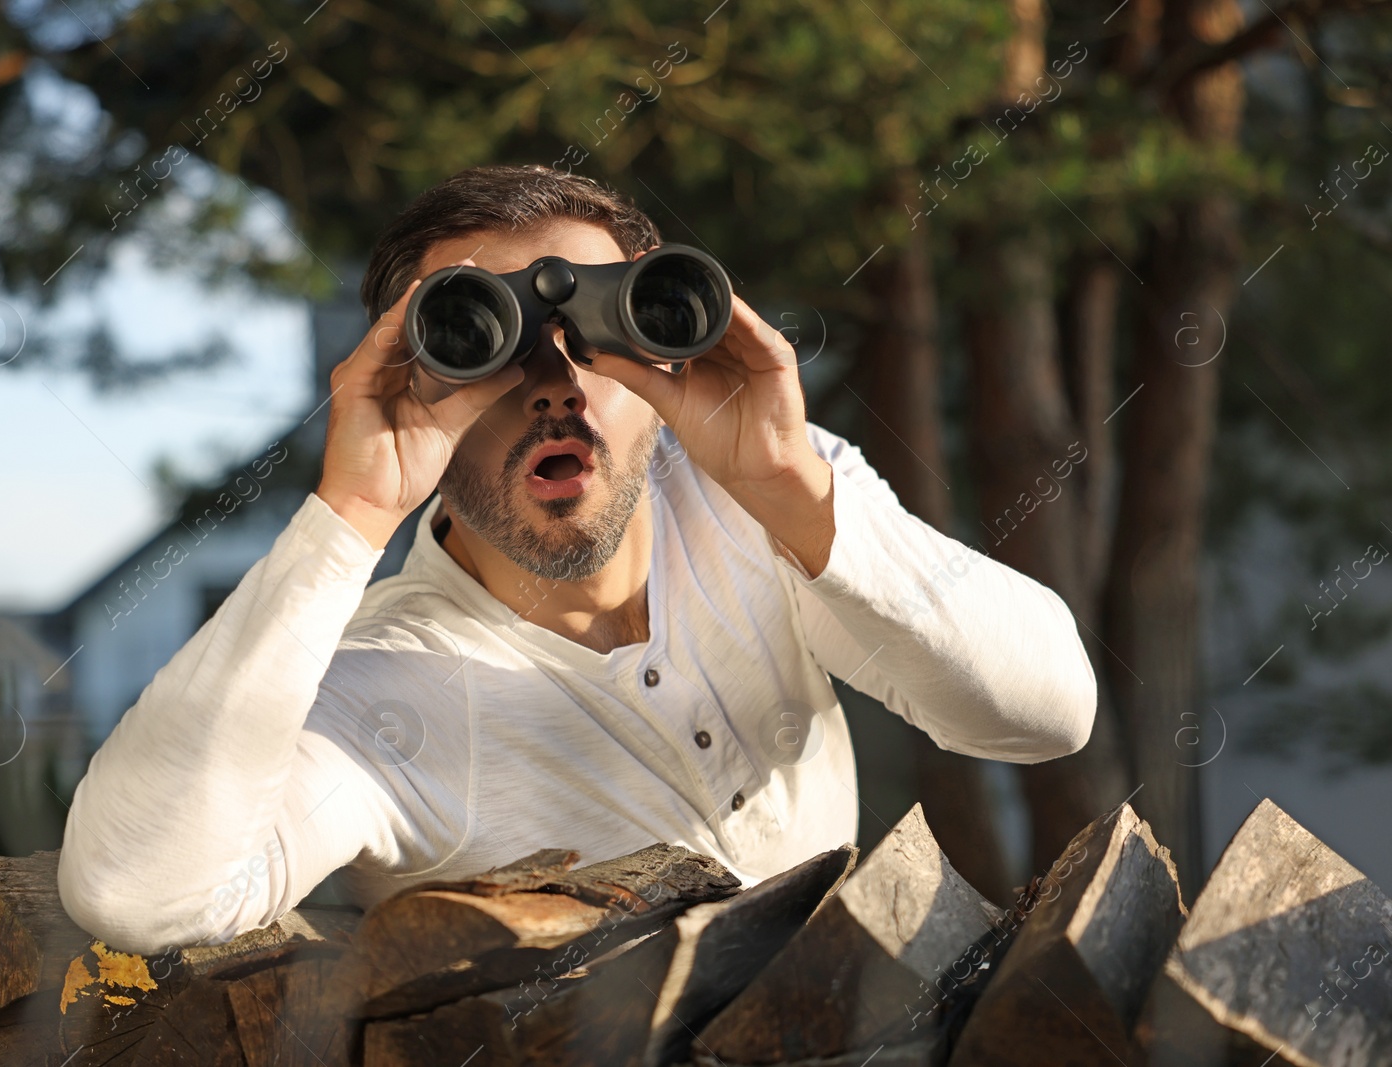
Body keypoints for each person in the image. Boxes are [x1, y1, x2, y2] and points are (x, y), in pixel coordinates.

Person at [55, 164, 1097, 956]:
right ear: (407, 383)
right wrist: (350, 512)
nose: (553, 380)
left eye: (594, 327)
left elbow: (1045, 713)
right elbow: (133, 892)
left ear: (663, 348)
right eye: (483, 337)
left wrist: (788, 484)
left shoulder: (763, 504)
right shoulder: (380, 690)